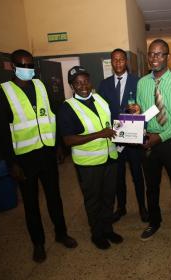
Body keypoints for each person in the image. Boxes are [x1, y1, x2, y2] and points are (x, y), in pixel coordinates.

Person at [0, 49, 77, 263]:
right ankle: (38, 244)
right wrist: (11, 163)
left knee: (54, 198)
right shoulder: (4, 92)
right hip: (24, 158)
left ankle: (61, 234)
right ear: (13, 67)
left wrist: (59, 145)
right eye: (23, 66)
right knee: (31, 204)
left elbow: (52, 116)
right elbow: (2, 133)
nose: (28, 70)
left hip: (47, 153)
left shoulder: (40, 85)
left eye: (31, 66)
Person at [57, 66, 123, 250]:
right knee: (93, 200)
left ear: (90, 81)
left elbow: (112, 124)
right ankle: (97, 234)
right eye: (77, 83)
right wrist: (99, 134)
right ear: (72, 86)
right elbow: (68, 140)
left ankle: (108, 229)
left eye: (85, 81)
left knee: (109, 197)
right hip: (88, 164)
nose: (83, 86)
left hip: (110, 157)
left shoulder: (101, 99)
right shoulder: (66, 108)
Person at [136, 39, 171, 243]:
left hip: (170, 141)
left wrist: (160, 137)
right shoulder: (142, 83)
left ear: (168, 57)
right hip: (148, 140)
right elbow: (142, 111)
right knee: (151, 186)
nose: (154, 58)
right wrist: (135, 114)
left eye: (159, 54)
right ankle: (154, 221)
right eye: (151, 54)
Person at [98, 48, 149, 223]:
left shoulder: (138, 82)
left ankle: (143, 207)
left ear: (126, 61)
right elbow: (101, 111)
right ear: (111, 63)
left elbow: (144, 106)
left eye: (121, 60)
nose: (118, 63)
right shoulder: (104, 85)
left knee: (137, 174)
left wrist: (141, 113)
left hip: (133, 136)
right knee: (118, 176)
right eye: (115, 60)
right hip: (114, 137)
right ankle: (121, 207)